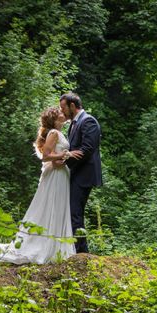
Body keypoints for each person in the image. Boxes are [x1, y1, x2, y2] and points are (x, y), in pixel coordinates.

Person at [0, 107, 76, 264]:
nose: (63, 112)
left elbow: (52, 157)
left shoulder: (58, 132)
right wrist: (65, 155)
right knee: (51, 206)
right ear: (55, 119)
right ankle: (48, 245)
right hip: (55, 176)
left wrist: (59, 158)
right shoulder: (54, 133)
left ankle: (55, 245)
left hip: (60, 174)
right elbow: (46, 156)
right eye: (60, 112)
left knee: (56, 207)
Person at [59, 92, 102, 254]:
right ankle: (77, 250)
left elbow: (87, 149)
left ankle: (81, 253)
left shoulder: (88, 121)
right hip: (75, 174)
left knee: (75, 212)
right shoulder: (74, 123)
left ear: (72, 106)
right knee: (73, 212)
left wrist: (66, 159)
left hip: (84, 175)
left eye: (63, 107)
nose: (61, 111)